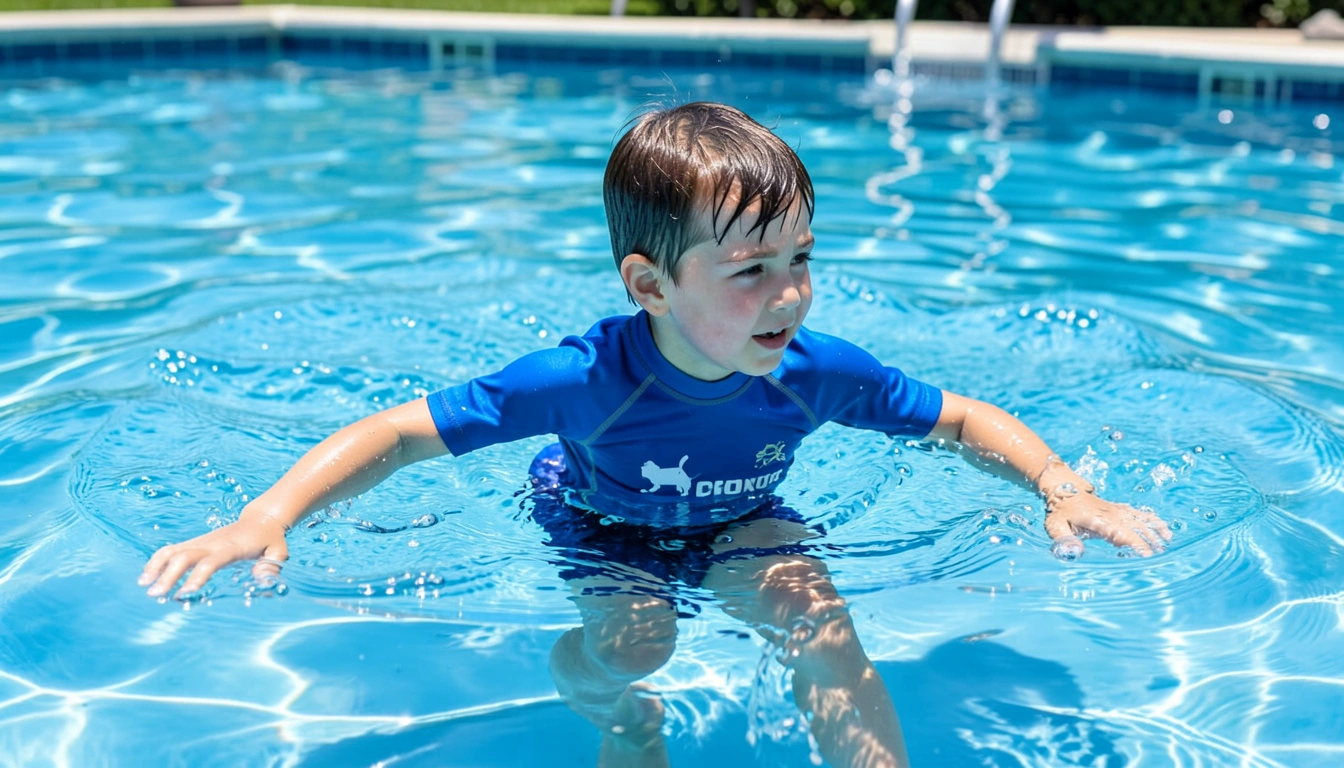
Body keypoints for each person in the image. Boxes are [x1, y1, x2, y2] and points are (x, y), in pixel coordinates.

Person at [139, 102, 1171, 768]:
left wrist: (1058, 485)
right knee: (638, 645)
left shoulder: (814, 371)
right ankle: (615, 715)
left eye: (802, 256)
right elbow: (402, 435)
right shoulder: (585, 384)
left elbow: (960, 417)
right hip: (599, 525)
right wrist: (263, 516)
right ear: (650, 286)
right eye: (752, 269)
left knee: (820, 619)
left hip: (748, 517)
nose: (793, 293)